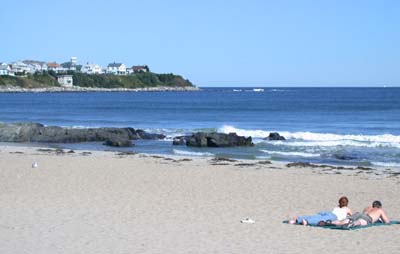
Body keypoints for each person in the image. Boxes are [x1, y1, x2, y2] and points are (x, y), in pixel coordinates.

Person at [288, 196, 352, 226]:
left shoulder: (337, 207)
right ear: (347, 203)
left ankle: (296, 219)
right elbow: (351, 217)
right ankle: (307, 222)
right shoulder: (347, 209)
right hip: (334, 217)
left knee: (315, 216)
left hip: (328, 212)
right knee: (320, 219)